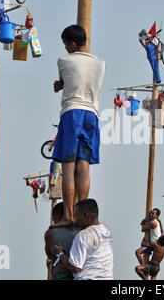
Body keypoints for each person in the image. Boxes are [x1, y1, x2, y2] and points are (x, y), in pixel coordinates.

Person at [51, 24, 106, 227]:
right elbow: (80, 79)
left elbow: (69, 76)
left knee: (68, 166)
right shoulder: (100, 63)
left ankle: (67, 215)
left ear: (72, 43)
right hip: (92, 114)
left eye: (66, 44)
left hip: (71, 113)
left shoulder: (63, 60)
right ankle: (83, 213)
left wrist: (61, 85)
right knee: (84, 166)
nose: (65, 48)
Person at [52, 199, 114, 280]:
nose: (76, 220)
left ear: (85, 215)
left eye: (76, 216)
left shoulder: (83, 235)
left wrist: (59, 253)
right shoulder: (105, 230)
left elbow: (75, 268)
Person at [44, 202, 81, 280]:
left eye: (54, 218)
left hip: (61, 274)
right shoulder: (82, 231)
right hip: (82, 274)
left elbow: (49, 254)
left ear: (56, 216)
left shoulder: (50, 233)